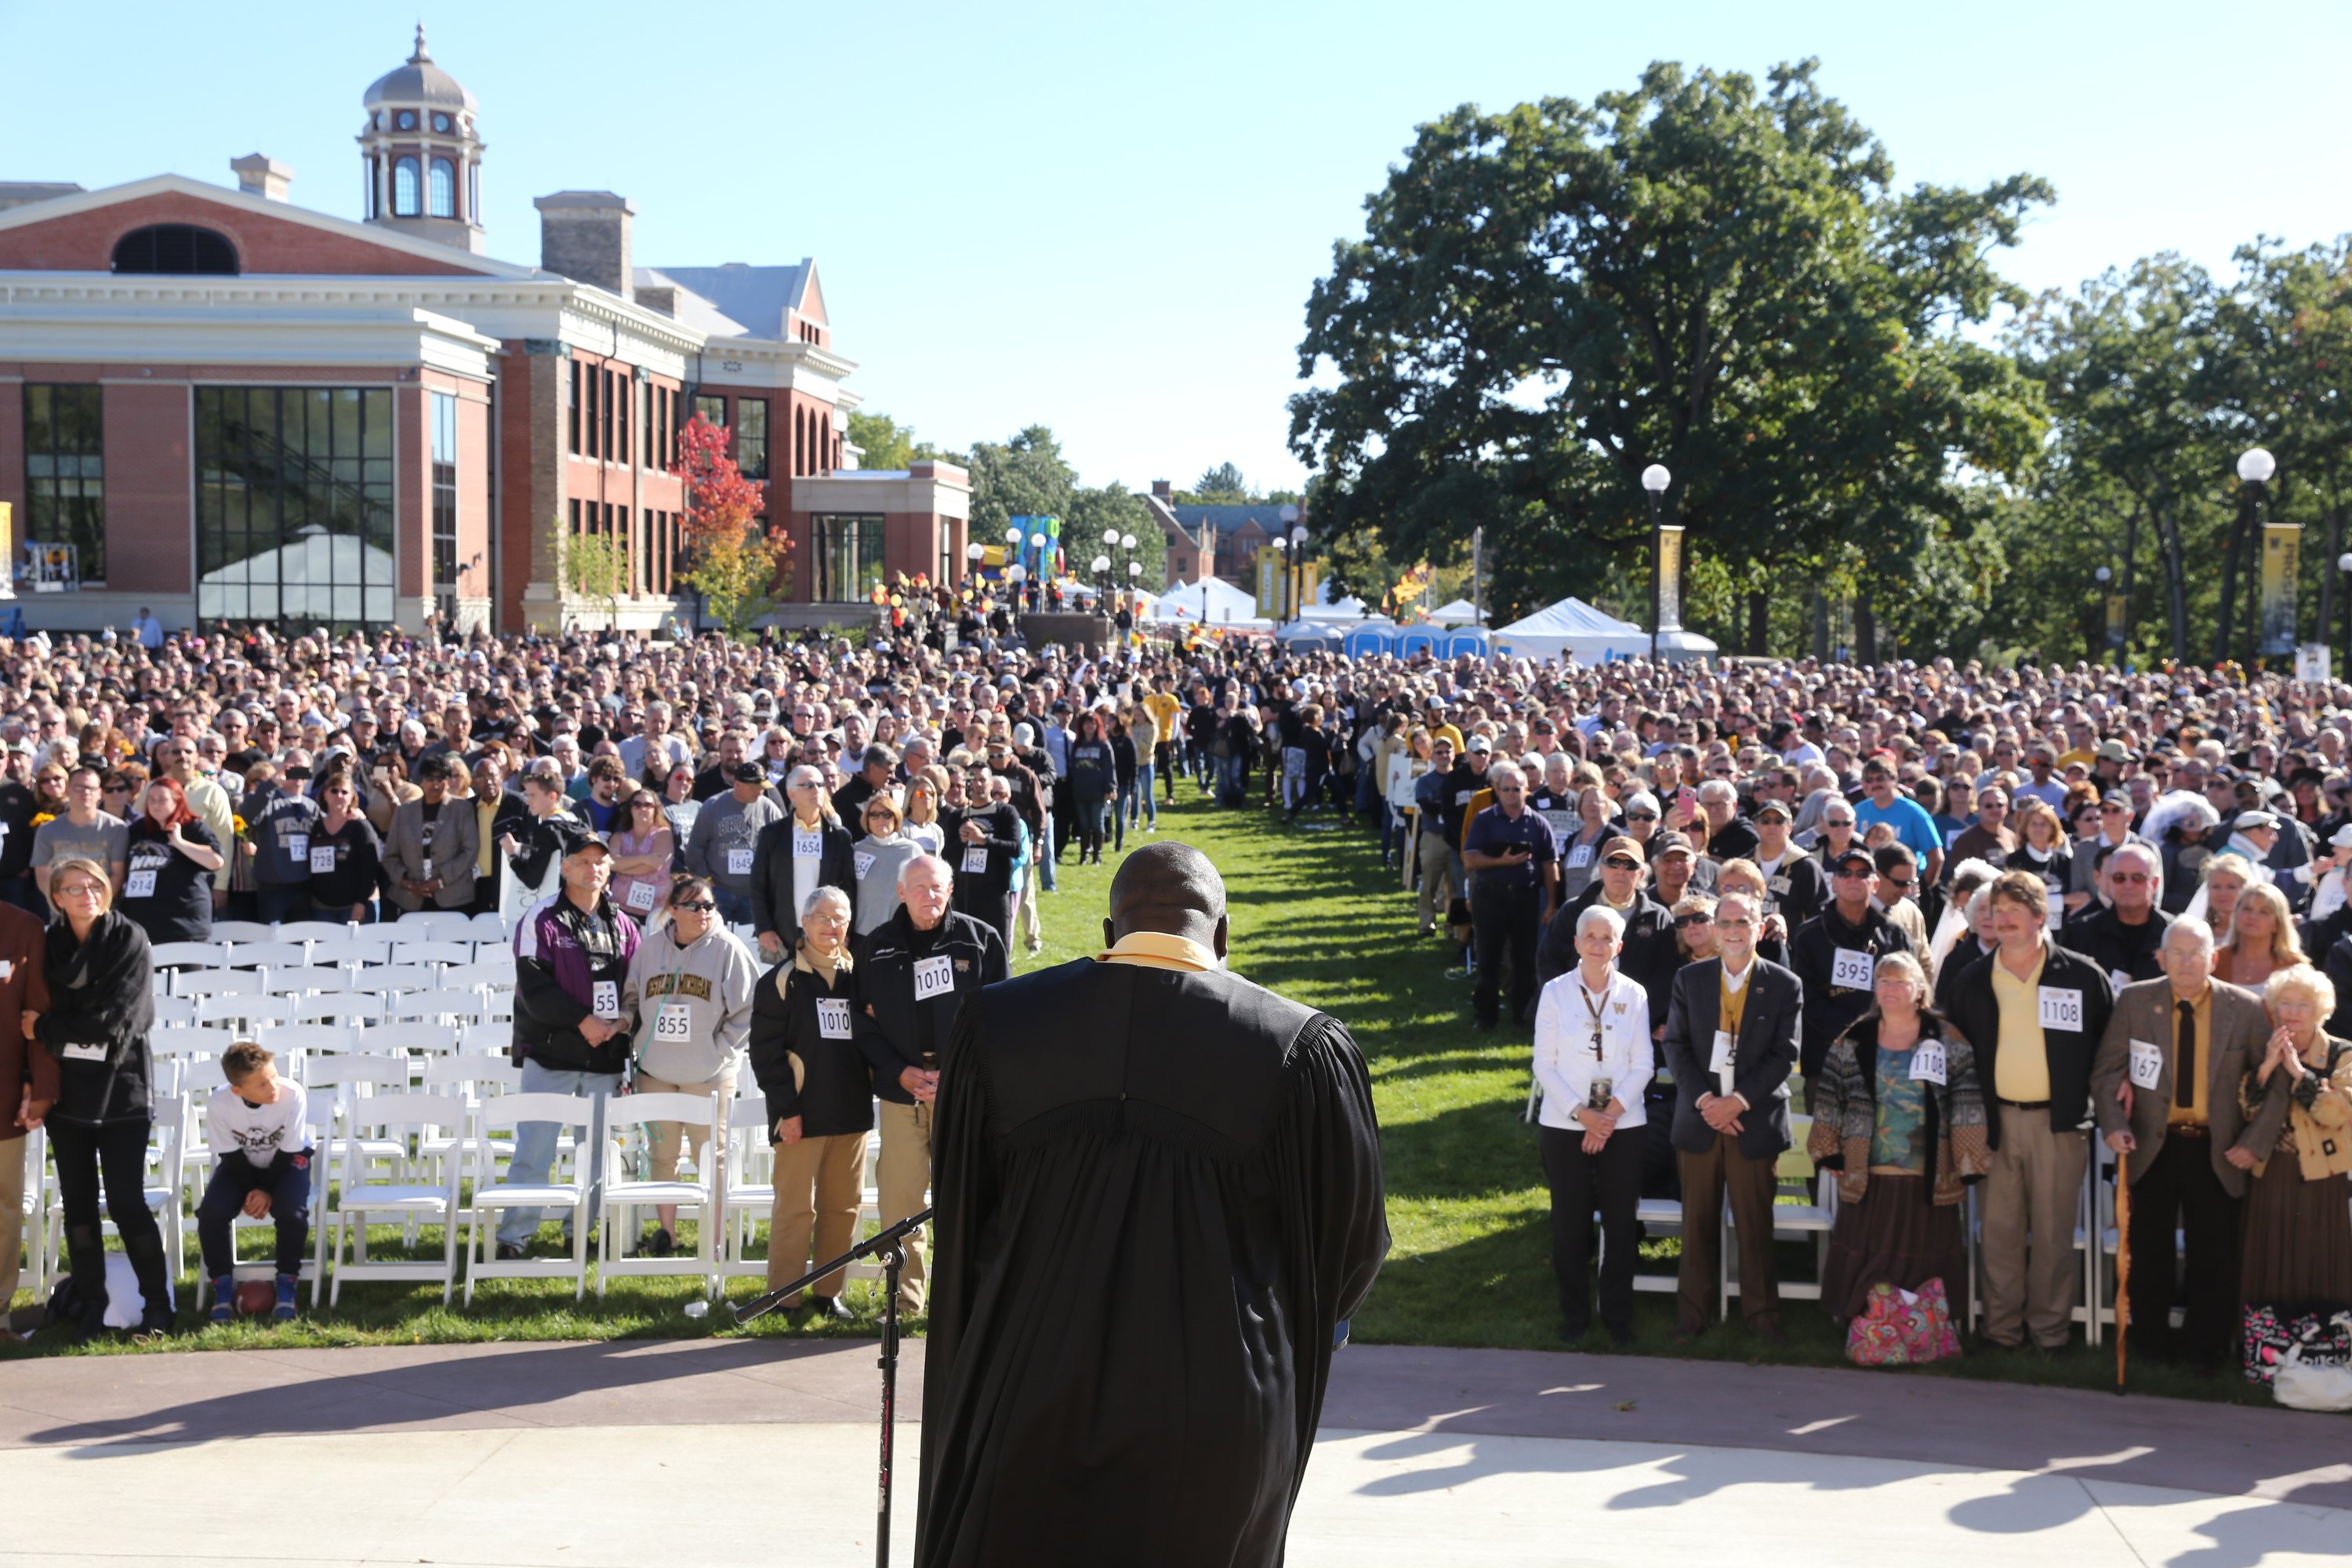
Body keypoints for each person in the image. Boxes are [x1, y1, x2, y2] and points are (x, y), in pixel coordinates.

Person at [918, 842, 1387, 1563]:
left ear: (1109, 935)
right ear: (1223, 935)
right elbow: (1349, 1246)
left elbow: (961, 1212)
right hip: (1219, 1403)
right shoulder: (1296, 1046)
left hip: (1029, 1386)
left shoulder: (1000, 1026)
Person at [1941, 869, 2116, 1351]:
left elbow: (2108, 1049)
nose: (2004, 921)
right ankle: (2001, 1332)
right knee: (1999, 1235)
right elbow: (1950, 1049)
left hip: (2059, 1126)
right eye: (1998, 913)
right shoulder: (1971, 980)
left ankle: (2050, 1333)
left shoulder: (2082, 976)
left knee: (2056, 1236)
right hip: (1994, 1124)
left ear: (2041, 917)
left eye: (2016, 912)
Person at [2089, 918, 2270, 1365]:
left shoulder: (2245, 1008)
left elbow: (2276, 1084)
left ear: (2213, 958)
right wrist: (2113, 1123)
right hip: (2153, 1145)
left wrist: (2255, 1141)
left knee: (2214, 1255)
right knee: (2149, 1252)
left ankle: (2204, 1352)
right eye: (2178, 953)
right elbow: (2107, 1070)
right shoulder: (2135, 1001)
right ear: (2161, 958)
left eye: (2197, 953)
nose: (2187, 961)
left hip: (2219, 1148)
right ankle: (2150, 1348)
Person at [857, 852, 1009, 1316]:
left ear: (951, 889)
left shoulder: (980, 941)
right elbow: (861, 1025)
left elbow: (1004, 1018)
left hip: (961, 1093)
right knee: (900, 1201)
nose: (931, 895)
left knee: (965, 1198)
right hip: (902, 1092)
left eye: (939, 886)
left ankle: (968, 1302)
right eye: (920, 887)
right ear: (901, 892)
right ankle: (904, 1302)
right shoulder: (876, 946)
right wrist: (897, 1072)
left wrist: (961, 1074)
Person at [25, 858, 172, 1336]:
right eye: (74, 887)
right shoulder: (50, 946)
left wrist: (47, 1030)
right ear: (57, 897)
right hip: (68, 1096)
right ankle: (91, 1305)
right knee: (80, 1208)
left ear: (106, 890)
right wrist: (55, 1033)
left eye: (94, 885)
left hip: (122, 1090)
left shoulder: (128, 938)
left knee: (128, 1204)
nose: (86, 893)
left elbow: (116, 1023)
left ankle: (158, 1307)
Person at [1808, 953, 1989, 1327]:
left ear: (1919, 989)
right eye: (1884, 982)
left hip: (1929, 1171)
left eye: (1900, 982)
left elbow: (1967, 1098)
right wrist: (1828, 1151)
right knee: (1867, 1247)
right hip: (1867, 1166)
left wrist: (1969, 1160)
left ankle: (1929, 1326)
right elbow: (1829, 1095)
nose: (1890, 989)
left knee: (1925, 1247)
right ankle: (1864, 1321)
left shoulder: (1947, 1038)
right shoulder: (1854, 1038)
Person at [1658, 890, 1802, 1343]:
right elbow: (1675, 1046)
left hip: (1753, 1121)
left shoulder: (1784, 984)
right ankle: (1692, 1316)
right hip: (1699, 1120)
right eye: (1726, 923)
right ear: (1715, 931)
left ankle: (1762, 1318)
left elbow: (1785, 1055)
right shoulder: (1690, 979)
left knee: (1755, 1225)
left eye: (1744, 922)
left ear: (1760, 928)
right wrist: (1706, 1102)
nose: (1735, 931)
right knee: (1696, 1222)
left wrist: (1737, 1101)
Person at [499, 833, 641, 1260]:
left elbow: (635, 986)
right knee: (534, 1151)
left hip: (605, 1056)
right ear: (566, 868)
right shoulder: (540, 919)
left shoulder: (625, 924)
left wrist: (622, 1022)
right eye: (583, 861)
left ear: (609, 869)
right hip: (551, 1053)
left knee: (597, 1155)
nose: (592, 869)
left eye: (600, 862)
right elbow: (533, 985)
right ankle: (514, 1238)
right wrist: (583, 1021)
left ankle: (580, 1232)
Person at [746, 884, 871, 1323]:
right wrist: (787, 1112)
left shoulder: (862, 978)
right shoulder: (781, 981)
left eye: (839, 918)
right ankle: (785, 1297)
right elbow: (764, 1053)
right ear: (804, 922)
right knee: (796, 1210)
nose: (831, 926)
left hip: (851, 1114)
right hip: (799, 1116)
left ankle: (828, 1293)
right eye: (822, 917)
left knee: (842, 1208)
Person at [1532, 904, 1652, 1344]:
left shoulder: (1634, 994)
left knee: (1621, 1224)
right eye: (1591, 937)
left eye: (1608, 938)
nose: (1599, 945)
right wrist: (1583, 1116)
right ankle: (1574, 1317)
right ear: (1578, 942)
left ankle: (1618, 1318)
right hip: (1565, 1125)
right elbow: (1543, 1065)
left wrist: (1610, 1116)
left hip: (1625, 1124)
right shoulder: (1556, 992)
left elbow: (1644, 1064)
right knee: (1570, 1223)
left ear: (1619, 946)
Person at [622, 876, 760, 1256]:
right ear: (674, 911)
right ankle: (668, 1233)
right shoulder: (649, 950)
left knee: (711, 1157)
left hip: (708, 1074)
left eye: (709, 906)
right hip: (657, 1070)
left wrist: (720, 1050)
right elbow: (631, 998)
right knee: (663, 1154)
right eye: (695, 906)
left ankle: (714, 1239)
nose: (704, 913)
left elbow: (749, 1010)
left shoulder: (729, 950)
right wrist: (634, 1037)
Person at [2234, 963, 2352, 1370]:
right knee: (2269, 1261)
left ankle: (2323, 1357)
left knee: (2317, 1264)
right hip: (2272, 1175)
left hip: (2321, 1180)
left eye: (2303, 1004)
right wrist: (2267, 1068)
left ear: (2320, 1011)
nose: (2293, 1012)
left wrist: (2298, 1073)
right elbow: (2246, 1111)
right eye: (2285, 1003)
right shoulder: (2264, 1047)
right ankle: (2264, 1357)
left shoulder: (2341, 1053)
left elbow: (2338, 1112)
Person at [198, 1040, 310, 1324]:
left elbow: (289, 1151)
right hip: (241, 1166)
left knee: (292, 1212)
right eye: (261, 1084)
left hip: (287, 1163)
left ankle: (287, 1283)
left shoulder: (292, 1094)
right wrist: (253, 1190)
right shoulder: (220, 1102)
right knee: (211, 1212)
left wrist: (266, 1191)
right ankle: (222, 1286)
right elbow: (230, 1155)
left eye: (274, 1076)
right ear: (238, 1090)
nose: (273, 1087)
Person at [1788, 846, 1914, 1083]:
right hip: (1826, 1058)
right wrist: (1855, 1032)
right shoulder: (1809, 935)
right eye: (1845, 873)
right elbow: (1806, 999)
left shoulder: (1894, 935)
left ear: (1875, 885)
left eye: (1863, 874)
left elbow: (1912, 992)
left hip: (1885, 1057)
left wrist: (1881, 1033)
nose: (1853, 879)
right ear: (1834, 883)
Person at [1461, 760, 1558, 1031]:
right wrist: (1502, 861)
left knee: (1524, 959)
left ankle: (1522, 1016)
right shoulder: (1485, 820)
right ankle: (1486, 1016)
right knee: (1488, 957)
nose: (1512, 794)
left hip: (1526, 899)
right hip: (1490, 897)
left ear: (1527, 790)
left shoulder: (1539, 824)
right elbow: (1470, 859)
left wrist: (1550, 903)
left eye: (1518, 789)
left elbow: (1550, 866)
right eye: (1507, 789)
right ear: (1497, 790)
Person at [0, 897, 49, 1341]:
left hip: (4, 1092)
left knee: (2, 1204)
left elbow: (36, 1012)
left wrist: (35, 1084)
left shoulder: (21, 927)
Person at [752, 764, 857, 962]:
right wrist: (764, 928)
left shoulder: (839, 837)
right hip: (783, 933)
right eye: (808, 785)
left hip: (826, 931)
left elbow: (849, 888)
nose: (816, 790)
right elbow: (758, 885)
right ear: (792, 794)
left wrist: (846, 930)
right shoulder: (772, 834)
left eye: (820, 784)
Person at [117, 777, 223, 946]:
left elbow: (216, 861)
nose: (156, 804)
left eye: (162, 800)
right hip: (142, 924)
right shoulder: (138, 829)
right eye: (151, 799)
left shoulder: (192, 827)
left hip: (184, 924)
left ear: (177, 801)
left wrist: (180, 843)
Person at [682, 760, 783, 928]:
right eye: (755, 787)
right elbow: (695, 848)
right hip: (719, 891)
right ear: (737, 785)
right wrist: (706, 879)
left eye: (763, 786)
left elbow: (781, 850)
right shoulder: (713, 806)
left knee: (748, 946)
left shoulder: (769, 809)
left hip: (754, 893)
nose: (761, 791)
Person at [2062, 840, 2173, 993]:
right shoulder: (2079, 933)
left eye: (2138, 877)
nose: (2128, 885)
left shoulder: (2174, 934)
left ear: (2154, 883)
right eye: (2119, 877)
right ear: (2109, 881)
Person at [382, 754, 477, 916]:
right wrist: (406, 882)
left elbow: (470, 851)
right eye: (430, 777)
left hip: (453, 896)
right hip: (409, 897)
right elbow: (390, 855)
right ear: (421, 781)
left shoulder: (463, 809)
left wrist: (440, 881)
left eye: (441, 778)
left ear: (447, 782)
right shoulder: (404, 812)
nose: (435, 783)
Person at [31, 767, 128, 906]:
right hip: (63, 912)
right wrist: (65, 905)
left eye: (91, 788)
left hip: (104, 911)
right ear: (68, 790)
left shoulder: (117, 829)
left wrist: (94, 907)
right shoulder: (47, 831)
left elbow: (117, 875)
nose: (86, 793)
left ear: (100, 793)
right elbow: (43, 876)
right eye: (79, 788)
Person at [307, 771, 383, 924]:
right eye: (334, 791)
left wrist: (361, 902)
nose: (339, 795)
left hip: (356, 906)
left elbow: (370, 866)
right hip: (322, 906)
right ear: (325, 795)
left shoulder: (361, 826)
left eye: (344, 792)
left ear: (352, 798)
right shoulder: (316, 826)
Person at [850, 790, 923, 938]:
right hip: (862, 934)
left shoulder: (912, 850)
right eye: (874, 815)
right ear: (867, 820)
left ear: (895, 819)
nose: (881, 819)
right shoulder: (857, 850)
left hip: (900, 933)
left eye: (887, 814)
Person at [606, 788, 677, 931]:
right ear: (630, 809)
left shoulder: (663, 834)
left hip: (655, 910)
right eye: (637, 804)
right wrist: (645, 858)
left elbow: (654, 865)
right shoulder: (619, 837)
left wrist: (623, 865)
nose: (642, 808)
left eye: (648, 805)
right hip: (621, 907)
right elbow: (611, 863)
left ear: (655, 809)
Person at [1411, 735, 1461, 938]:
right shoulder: (1425, 781)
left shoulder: (1458, 779)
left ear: (1453, 755)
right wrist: (1449, 807)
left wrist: (1441, 805)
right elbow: (1427, 806)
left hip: (1455, 838)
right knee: (1429, 885)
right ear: (1432, 756)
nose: (1443, 756)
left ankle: (1452, 926)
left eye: (1447, 752)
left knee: (1454, 887)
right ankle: (1426, 924)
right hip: (1433, 837)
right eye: (1439, 752)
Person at [2212, 879, 2302, 991]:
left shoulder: (2295, 967)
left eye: (2264, 912)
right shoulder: (2215, 960)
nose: (2253, 916)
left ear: (2278, 924)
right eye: (2247, 909)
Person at [1064, 709, 1114, 866]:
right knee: (1084, 825)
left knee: (1097, 824)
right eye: (1086, 722)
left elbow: (1109, 768)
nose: (1089, 726)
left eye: (1092, 723)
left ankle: (1097, 856)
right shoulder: (1077, 744)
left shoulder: (1103, 745)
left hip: (1098, 792)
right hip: (1080, 791)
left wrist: (1110, 787)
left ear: (1097, 725)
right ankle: (1084, 854)